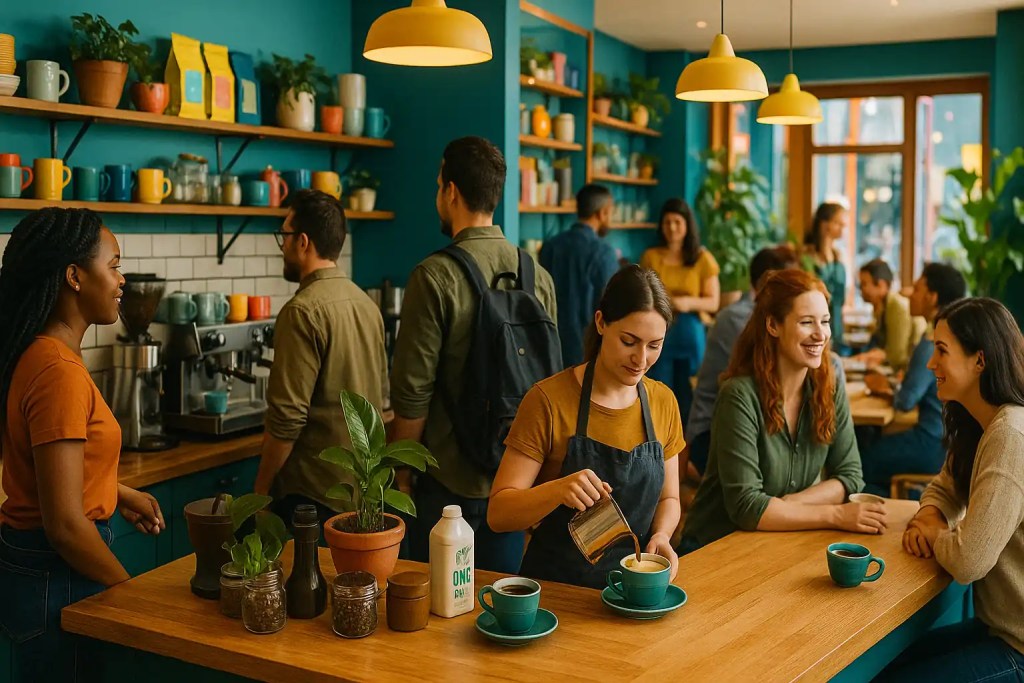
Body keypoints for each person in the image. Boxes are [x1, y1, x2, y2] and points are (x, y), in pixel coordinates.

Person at [0, 208, 166, 681]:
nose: (121, 279)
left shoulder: (41, 353)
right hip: (58, 579)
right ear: (74, 276)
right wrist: (128, 593)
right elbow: (66, 526)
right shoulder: (58, 373)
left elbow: (50, 477)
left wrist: (116, 492)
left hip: (38, 573)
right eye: (113, 265)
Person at [390, 136, 557, 573]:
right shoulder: (537, 275)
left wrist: (401, 472)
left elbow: (413, 392)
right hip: (516, 482)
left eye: (438, 185)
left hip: (447, 482)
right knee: (496, 607)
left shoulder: (434, 276)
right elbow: (549, 385)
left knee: (439, 609)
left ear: (450, 191)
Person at [489, 265, 683, 587]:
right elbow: (498, 514)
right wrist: (558, 489)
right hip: (557, 593)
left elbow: (669, 499)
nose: (640, 359)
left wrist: (662, 535)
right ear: (601, 322)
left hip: (632, 593)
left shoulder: (663, 402)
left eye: (654, 345)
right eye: (629, 341)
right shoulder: (548, 400)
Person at [680, 269, 883, 550]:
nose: (820, 334)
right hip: (716, 547)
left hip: (776, 540)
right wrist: (835, 513)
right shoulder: (739, 395)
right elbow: (747, 506)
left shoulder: (828, 385)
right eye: (806, 322)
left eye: (824, 322)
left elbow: (850, 476)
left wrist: (781, 506)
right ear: (773, 325)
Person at [883, 298, 1024, 681]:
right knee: (884, 669)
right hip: (998, 631)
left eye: (941, 350)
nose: (930, 363)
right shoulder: (981, 421)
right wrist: (930, 514)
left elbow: (969, 560)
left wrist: (934, 533)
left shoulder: (1010, 434)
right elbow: (946, 486)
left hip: (1017, 648)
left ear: (979, 361)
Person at [254, 190, 388, 529]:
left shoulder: (301, 312)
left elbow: (287, 420)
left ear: (302, 242)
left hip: (312, 498)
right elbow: (382, 401)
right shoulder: (367, 305)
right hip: (362, 495)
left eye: (284, 235)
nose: (282, 245)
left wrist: (260, 494)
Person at [686, 245, 799, 475]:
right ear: (769, 283)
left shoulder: (768, 317)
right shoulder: (739, 319)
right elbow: (771, 377)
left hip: (750, 427)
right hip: (710, 434)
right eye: (790, 285)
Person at [858, 263, 966, 496]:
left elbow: (905, 400)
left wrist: (886, 388)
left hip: (931, 444)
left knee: (858, 461)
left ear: (932, 297)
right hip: (951, 444)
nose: (909, 295)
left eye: (916, 289)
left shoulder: (932, 344)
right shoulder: (958, 337)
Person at [640, 198, 720, 422]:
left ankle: (686, 450)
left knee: (689, 396)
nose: (672, 228)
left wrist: (687, 303)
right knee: (658, 392)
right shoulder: (651, 256)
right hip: (658, 334)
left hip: (689, 333)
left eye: (677, 222)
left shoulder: (702, 259)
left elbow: (713, 303)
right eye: (667, 222)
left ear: (687, 225)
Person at [539, 183, 620, 368]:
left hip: (551, 345)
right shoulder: (604, 252)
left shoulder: (550, 246)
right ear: (602, 213)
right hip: (588, 349)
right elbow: (612, 306)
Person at [854, 258, 925, 371]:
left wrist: (875, 356)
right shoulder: (882, 307)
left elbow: (897, 356)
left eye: (864, 284)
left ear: (881, 285)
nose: (861, 289)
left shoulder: (896, 307)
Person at [804, 202, 848, 352]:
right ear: (824, 224)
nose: (843, 227)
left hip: (836, 325)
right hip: (817, 324)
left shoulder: (838, 256)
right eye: (838, 223)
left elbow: (841, 299)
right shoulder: (808, 258)